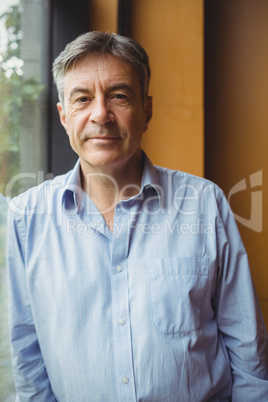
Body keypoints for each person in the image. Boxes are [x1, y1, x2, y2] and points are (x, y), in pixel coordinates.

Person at [7, 31, 268, 401]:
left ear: (146, 111)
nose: (101, 114)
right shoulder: (27, 218)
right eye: (83, 99)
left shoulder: (205, 203)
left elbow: (248, 354)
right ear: (64, 116)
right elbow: (29, 363)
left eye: (119, 96)